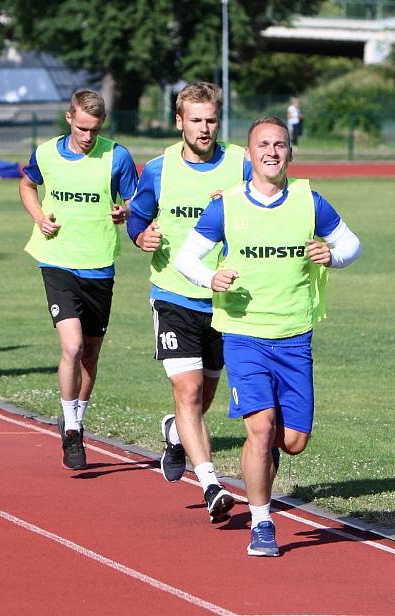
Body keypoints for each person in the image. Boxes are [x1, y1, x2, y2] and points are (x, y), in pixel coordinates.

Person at [175, 116, 361, 556]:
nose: (272, 152)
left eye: (280, 145)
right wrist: (210, 278)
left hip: (295, 336)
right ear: (250, 152)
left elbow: (353, 244)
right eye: (263, 144)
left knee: (291, 442)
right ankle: (262, 523)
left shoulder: (309, 201)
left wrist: (332, 255)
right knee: (260, 429)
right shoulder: (228, 205)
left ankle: (259, 462)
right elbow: (188, 257)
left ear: (290, 153)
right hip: (243, 335)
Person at [127, 82, 250, 524]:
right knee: (190, 389)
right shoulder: (159, 169)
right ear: (179, 121)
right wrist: (142, 235)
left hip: (225, 298)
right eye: (195, 120)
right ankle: (211, 484)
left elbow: (270, 205)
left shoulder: (242, 164)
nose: (204, 128)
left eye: (211, 119)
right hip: (173, 294)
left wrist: (237, 204)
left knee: (205, 395)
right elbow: (139, 216)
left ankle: (177, 432)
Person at [19, 89, 137, 470]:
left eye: (95, 129)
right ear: (69, 118)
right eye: (82, 127)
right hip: (56, 262)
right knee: (70, 347)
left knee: (90, 353)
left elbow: (135, 201)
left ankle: (75, 414)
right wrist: (38, 216)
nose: (88, 136)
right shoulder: (46, 153)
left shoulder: (116, 156)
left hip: (100, 264)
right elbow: (26, 184)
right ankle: (72, 430)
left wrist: (125, 212)